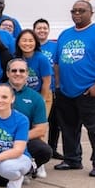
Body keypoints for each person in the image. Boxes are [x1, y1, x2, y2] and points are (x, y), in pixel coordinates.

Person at [53, 0, 95, 177]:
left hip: (90, 90)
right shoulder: (65, 34)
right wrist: (58, 84)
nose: (77, 13)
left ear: (91, 12)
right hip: (66, 91)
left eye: (81, 10)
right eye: (73, 10)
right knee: (68, 128)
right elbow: (57, 62)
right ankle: (72, 159)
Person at [0, 58, 53, 182]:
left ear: (27, 74)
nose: (18, 73)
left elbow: (41, 129)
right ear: (8, 73)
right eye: (14, 70)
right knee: (1, 182)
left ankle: (26, 170)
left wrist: (19, 138)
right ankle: (1, 169)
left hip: (22, 141)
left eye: (22, 70)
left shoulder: (36, 98)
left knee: (45, 151)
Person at [34, 19, 63, 160]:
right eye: (39, 28)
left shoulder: (55, 46)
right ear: (34, 30)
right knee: (39, 121)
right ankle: (39, 148)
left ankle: (53, 148)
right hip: (36, 90)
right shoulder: (32, 46)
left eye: (45, 28)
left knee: (55, 121)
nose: (42, 30)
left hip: (52, 89)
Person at [14, 30, 53, 114]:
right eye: (24, 40)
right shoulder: (15, 59)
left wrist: (42, 100)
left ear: (36, 43)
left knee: (39, 123)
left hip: (41, 93)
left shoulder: (42, 59)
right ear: (18, 43)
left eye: (31, 41)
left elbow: (47, 82)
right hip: (22, 94)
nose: (27, 43)